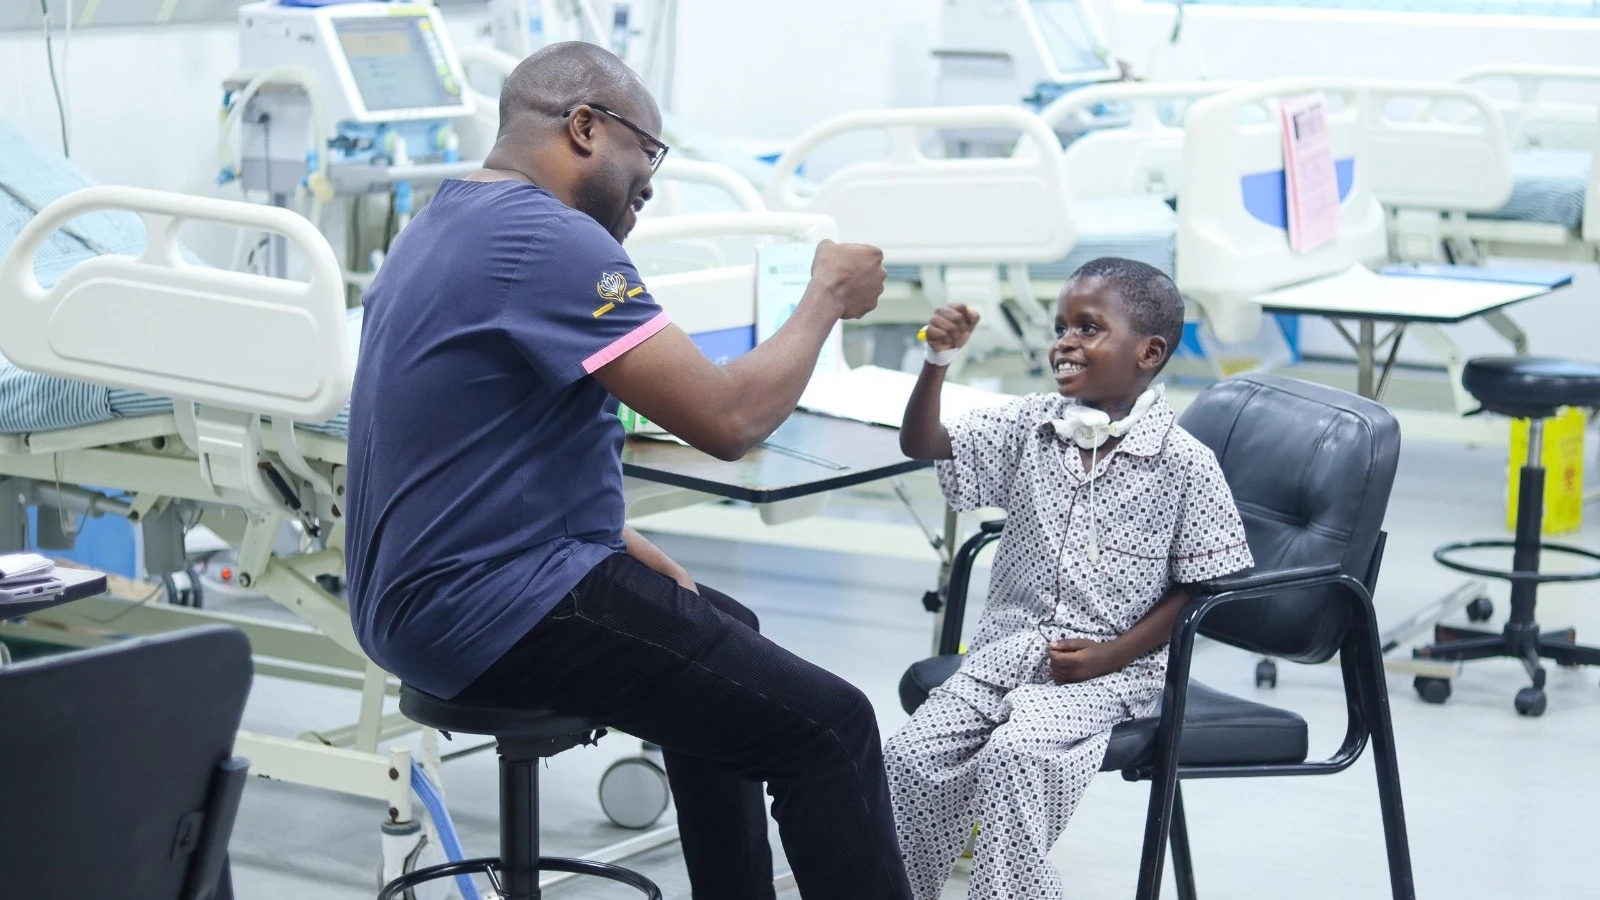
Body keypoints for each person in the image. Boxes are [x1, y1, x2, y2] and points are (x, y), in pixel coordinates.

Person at [343, 42, 913, 900]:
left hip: (418, 602)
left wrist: (610, 533)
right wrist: (824, 296)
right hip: (496, 610)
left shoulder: (446, 221)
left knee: (728, 632)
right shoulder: (551, 238)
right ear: (584, 127)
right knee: (832, 728)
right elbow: (727, 422)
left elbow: (468, 443)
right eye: (644, 168)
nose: (645, 199)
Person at [883, 258, 1255, 899]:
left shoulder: (1185, 464)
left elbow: (1203, 587)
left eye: (1088, 328)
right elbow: (925, 443)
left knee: (1016, 758)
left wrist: (1108, 655)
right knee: (909, 757)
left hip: (1114, 673)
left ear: (1149, 351)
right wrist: (937, 361)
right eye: (1061, 326)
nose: (1065, 342)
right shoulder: (1031, 423)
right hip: (1005, 655)